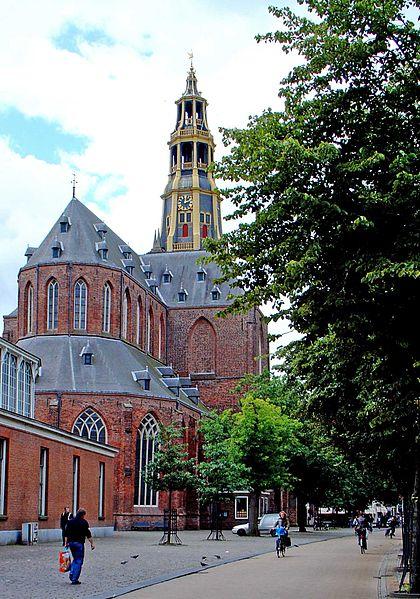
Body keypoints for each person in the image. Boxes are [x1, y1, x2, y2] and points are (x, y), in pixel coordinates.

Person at [64, 508, 95, 585]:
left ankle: (72, 572)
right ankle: (74, 579)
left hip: (71, 543)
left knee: (75, 558)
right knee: (79, 560)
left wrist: (66, 543)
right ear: (83, 515)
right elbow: (88, 534)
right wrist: (92, 544)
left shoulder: (70, 522)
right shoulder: (84, 522)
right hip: (79, 544)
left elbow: (66, 533)